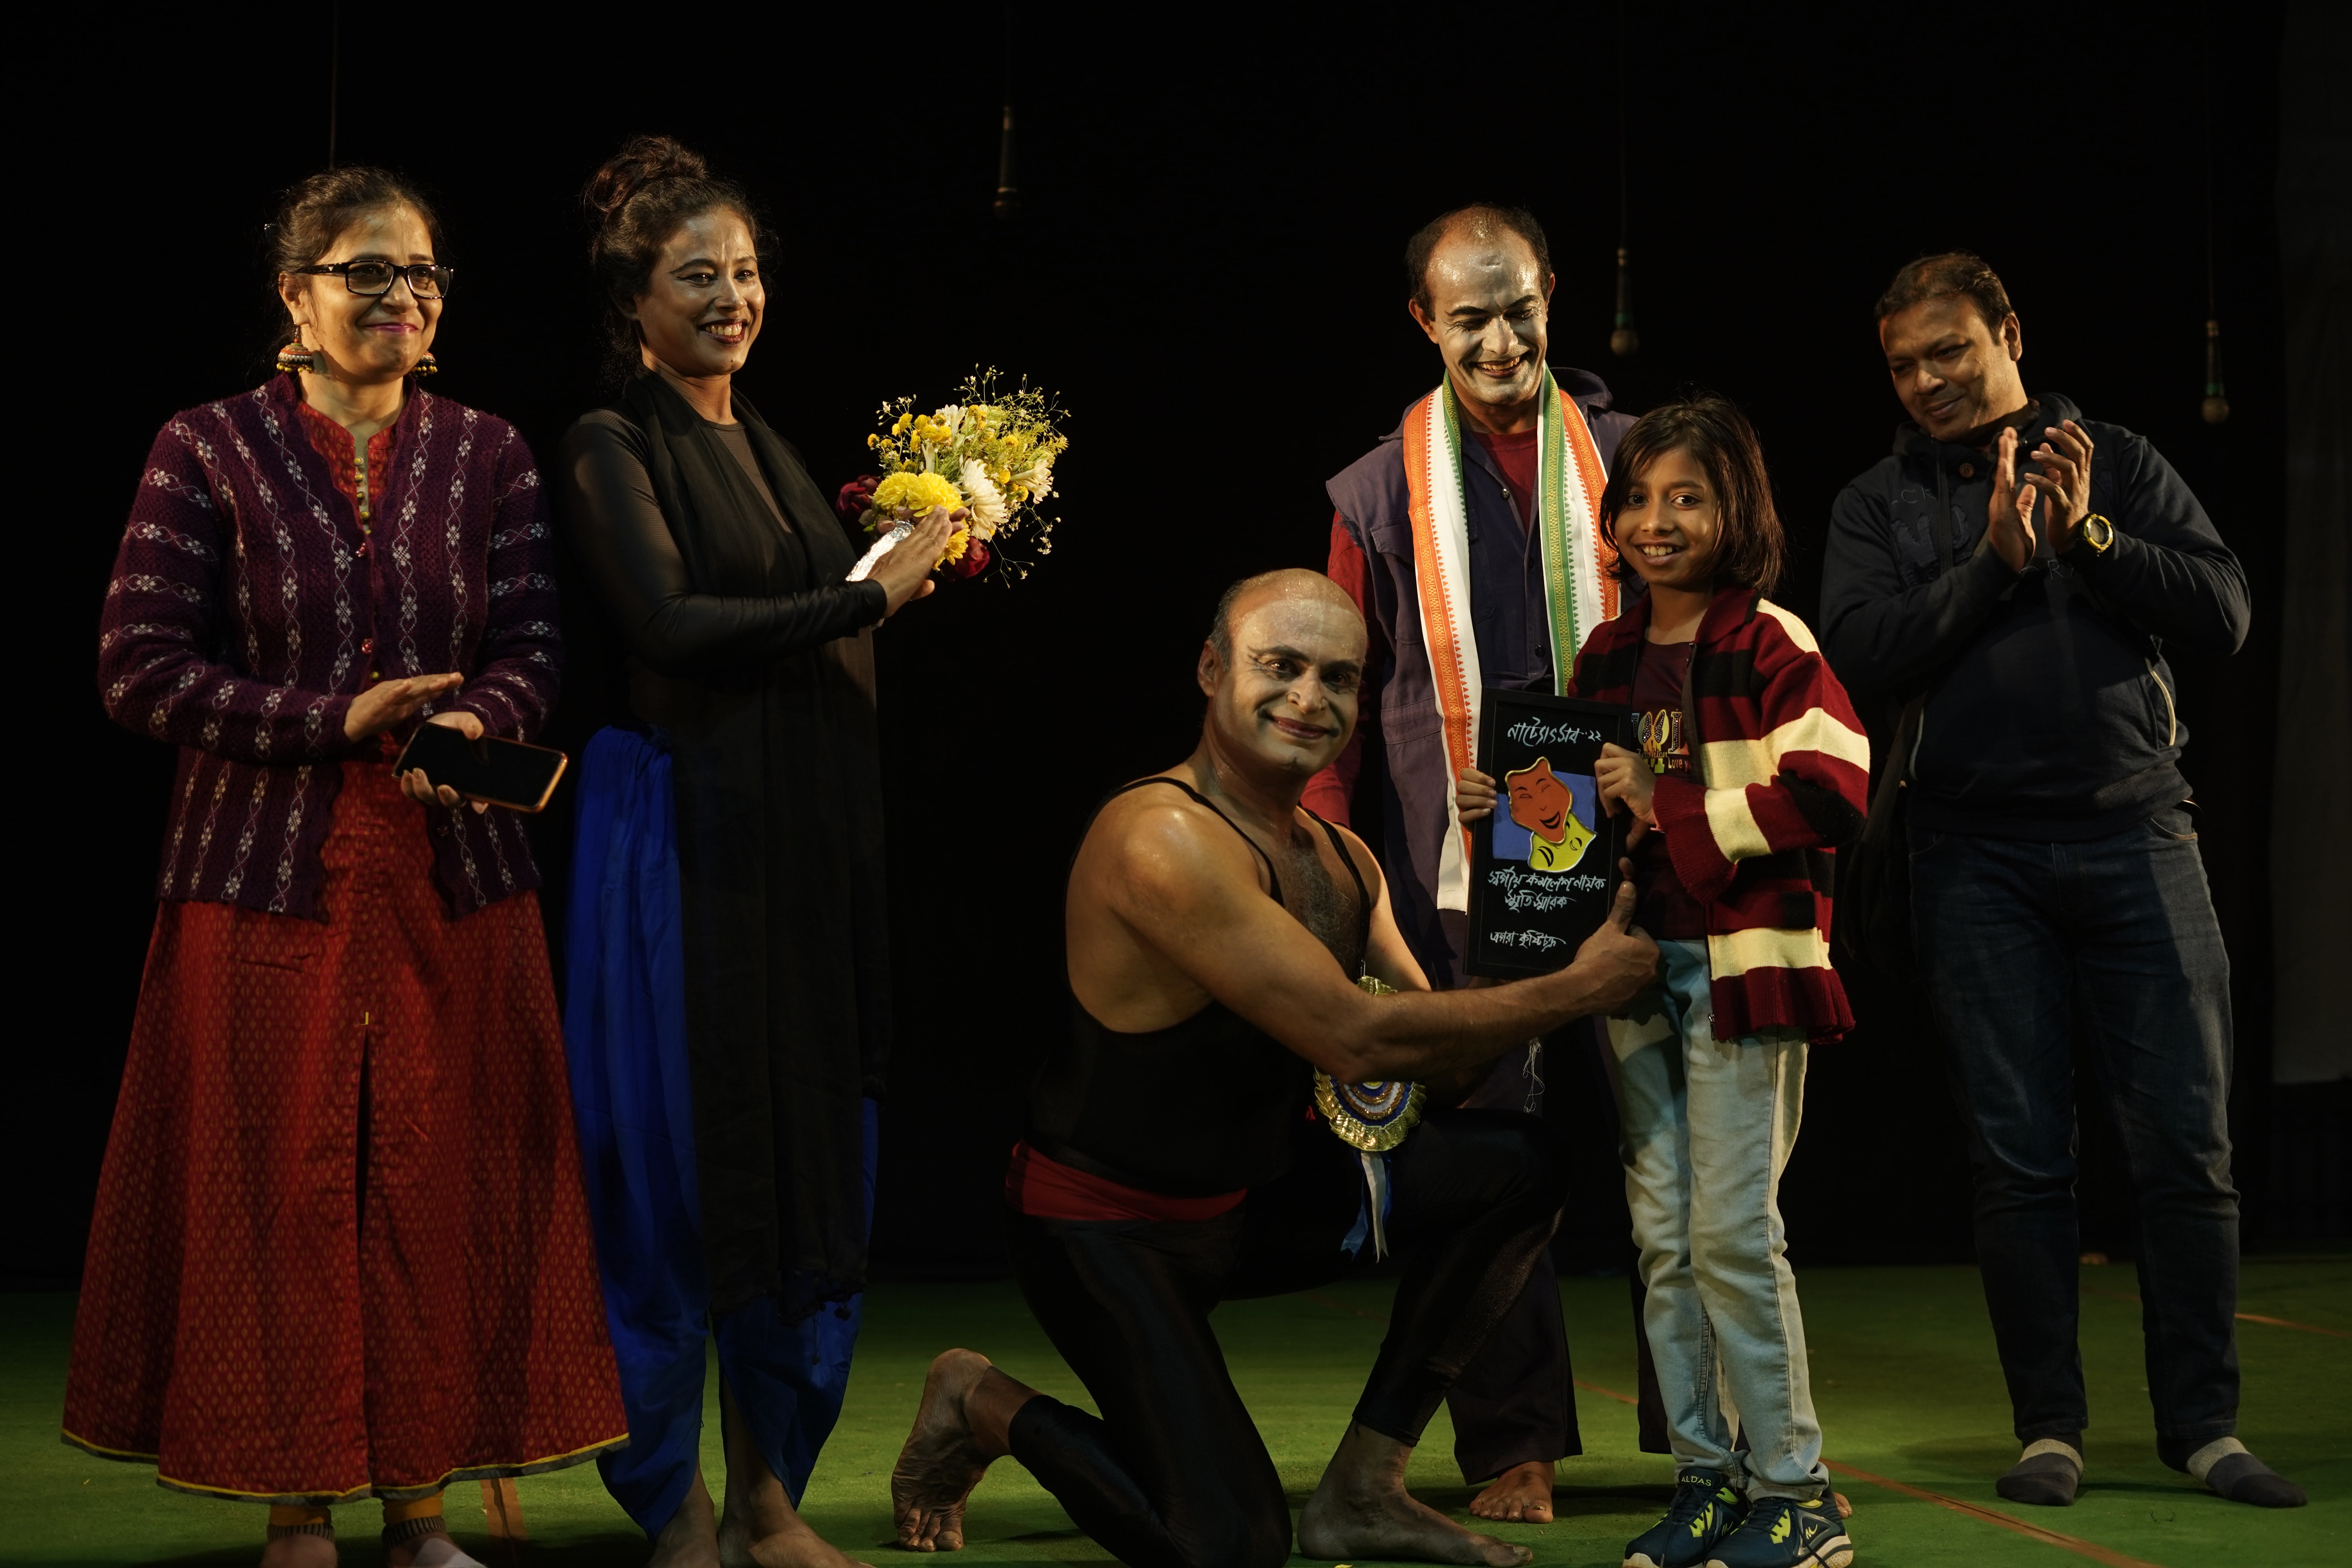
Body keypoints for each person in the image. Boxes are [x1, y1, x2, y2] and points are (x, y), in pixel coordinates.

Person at [68, 168, 626, 1568]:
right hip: (266, 884)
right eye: (367, 271)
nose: (401, 297)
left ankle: (421, 1510)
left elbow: (535, 652)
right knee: (286, 1185)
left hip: (454, 878)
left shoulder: (488, 452)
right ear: (294, 294)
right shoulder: (206, 447)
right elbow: (137, 670)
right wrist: (331, 721)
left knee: (439, 1181)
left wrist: (471, 725)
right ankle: (296, 1509)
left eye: (422, 273)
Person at [887, 569, 1660, 1568]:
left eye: (1337, 677)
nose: (1308, 697)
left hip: (1248, 1210)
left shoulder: (1346, 859)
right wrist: (1576, 988)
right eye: (1280, 666)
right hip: (1106, 1231)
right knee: (1227, 1544)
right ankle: (979, 1398)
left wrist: (1536, 918)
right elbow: (1359, 1037)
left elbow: (1438, 1072)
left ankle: (1366, 1484)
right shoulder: (1160, 835)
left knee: (1520, 1160)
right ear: (1213, 670)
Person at [1820, 254, 2301, 1511]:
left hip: (2140, 837)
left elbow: (2226, 611)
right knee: (2020, 1161)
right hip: (1969, 858)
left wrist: (2090, 536)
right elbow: (1860, 653)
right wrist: (1993, 563)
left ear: (2010, 335)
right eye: (1904, 365)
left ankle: (2205, 1429)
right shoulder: (1877, 502)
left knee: (2187, 1150)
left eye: (1950, 352)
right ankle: (2051, 1432)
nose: (1928, 381)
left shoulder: (2117, 461)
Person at [555, 136, 958, 1568]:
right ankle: (675, 1502)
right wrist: (867, 602)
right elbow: (670, 626)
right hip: (682, 843)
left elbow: (804, 612)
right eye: (696, 276)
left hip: (801, 842)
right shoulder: (611, 441)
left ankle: (768, 1501)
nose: (732, 297)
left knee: (801, 1157)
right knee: (684, 1166)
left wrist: (891, 556)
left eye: (744, 272)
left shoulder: (769, 443)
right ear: (633, 302)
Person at [1466, 394, 1867, 1568]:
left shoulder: (1773, 642)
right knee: (1665, 1239)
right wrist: (1515, 808)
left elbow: (1837, 790)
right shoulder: (1607, 656)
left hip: (1749, 970)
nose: (1657, 519)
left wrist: (1669, 798)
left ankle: (1798, 1494)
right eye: (1638, 497)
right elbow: (1583, 830)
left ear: (1736, 510)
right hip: (1640, 971)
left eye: (1687, 496)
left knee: (1734, 1234)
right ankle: (1707, 1478)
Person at [1312, 203, 1653, 1520]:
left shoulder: (1637, 459)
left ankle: (1719, 1434)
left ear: (1553, 294)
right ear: (1425, 323)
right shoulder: (1373, 491)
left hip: (1631, 846)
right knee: (1490, 1147)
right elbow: (1340, 694)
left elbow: (1702, 637)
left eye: (1521, 311)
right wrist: (1331, 860)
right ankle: (1514, 1441)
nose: (1502, 341)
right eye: (1471, 319)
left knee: (1676, 1138)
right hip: (1452, 865)